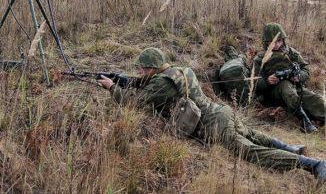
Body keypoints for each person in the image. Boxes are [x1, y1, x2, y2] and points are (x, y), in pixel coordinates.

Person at [98, 47, 326, 184]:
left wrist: (112, 87)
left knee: (249, 151)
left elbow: (134, 102)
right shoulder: (179, 70)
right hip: (221, 111)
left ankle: (311, 164)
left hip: (214, 125)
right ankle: (290, 147)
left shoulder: (162, 83)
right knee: (250, 133)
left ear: (151, 68)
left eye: (142, 69)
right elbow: (145, 84)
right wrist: (124, 79)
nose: (140, 72)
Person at [253, 23, 325, 133]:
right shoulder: (260, 58)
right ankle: (304, 121)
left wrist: (299, 77)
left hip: (295, 88)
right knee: (286, 87)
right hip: (272, 93)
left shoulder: (291, 53)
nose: (276, 45)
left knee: (316, 99)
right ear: (266, 42)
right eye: (272, 42)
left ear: (283, 40)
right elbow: (253, 82)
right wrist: (267, 81)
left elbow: (305, 69)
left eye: (279, 41)